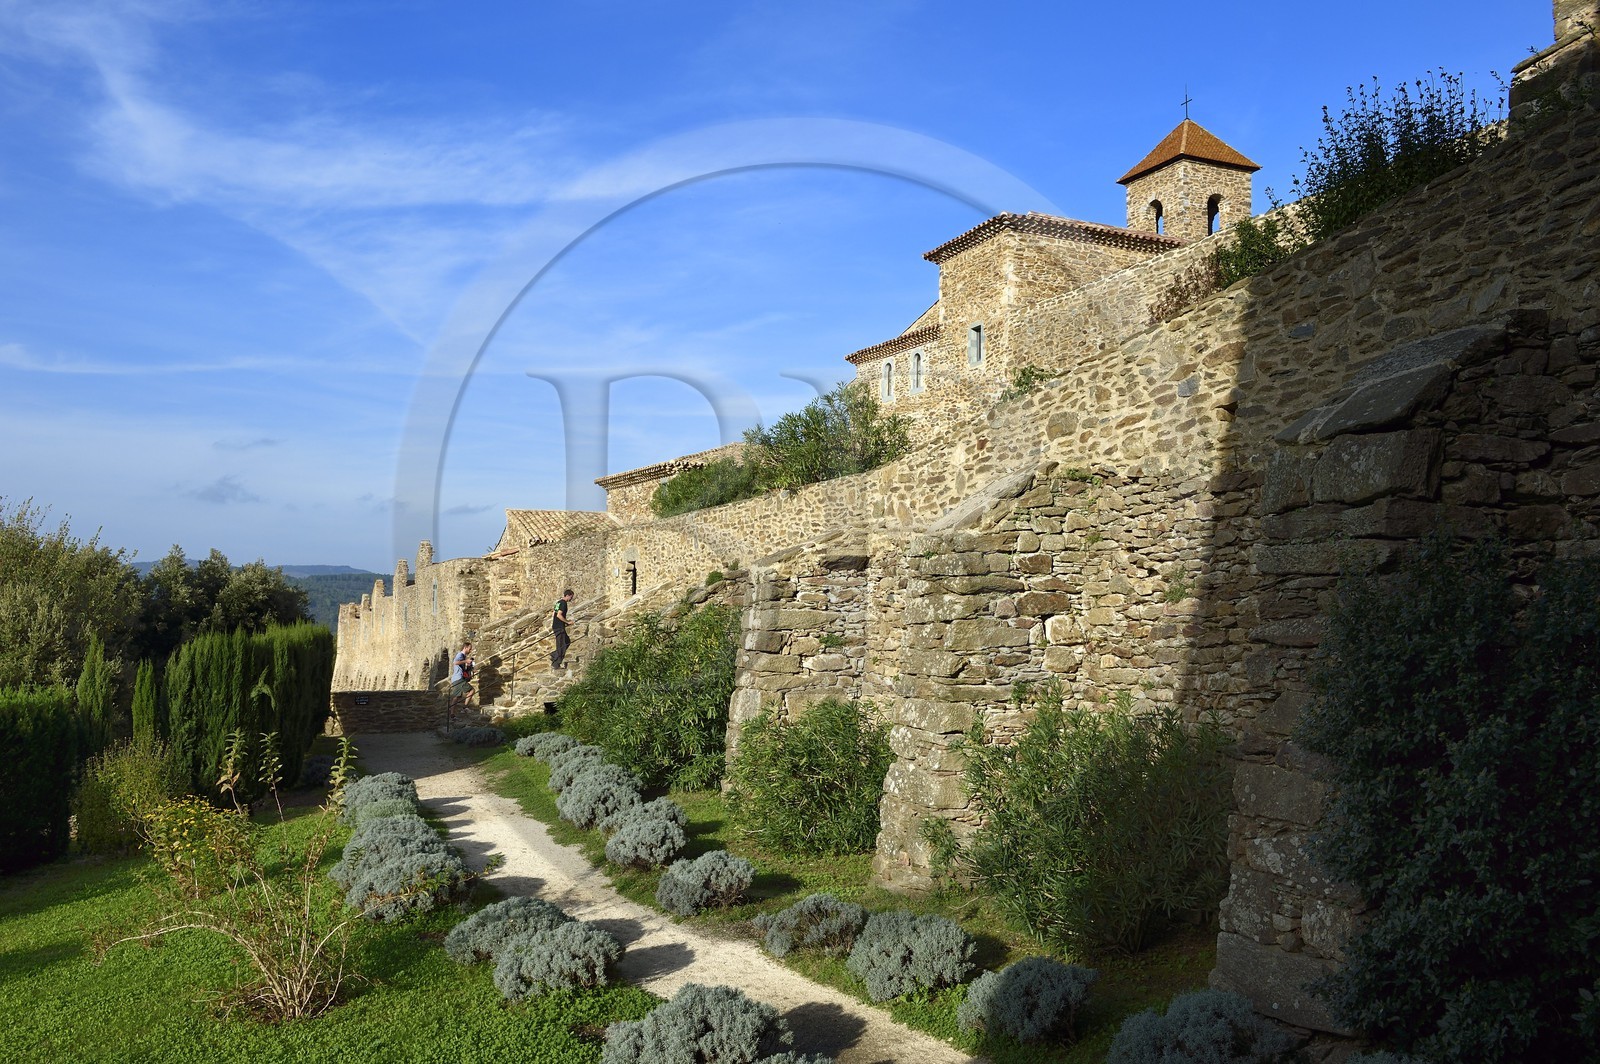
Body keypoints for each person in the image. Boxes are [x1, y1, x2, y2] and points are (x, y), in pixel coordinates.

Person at [550, 589, 575, 668]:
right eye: (571, 597)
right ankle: (556, 663)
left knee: (567, 641)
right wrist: (567, 622)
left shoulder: (559, 602)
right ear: (567, 595)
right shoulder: (563, 603)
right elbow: (559, 615)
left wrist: (564, 623)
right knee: (561, 645)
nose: (571, 599)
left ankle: (554, 654)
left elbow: (555, 614)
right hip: (559, 627)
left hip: (557, 625)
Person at [450, 640, 474, 707]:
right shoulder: (460, 655)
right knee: (472, 690)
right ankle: (465, 707)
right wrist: (466, 661)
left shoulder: (463, 656)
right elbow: (455, 662)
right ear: (465, 648)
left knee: (456, 697)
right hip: (458, 678)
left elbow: (461, 669)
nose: (470, 651)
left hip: (456, 679)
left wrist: (469, 667)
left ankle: (452, 713)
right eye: (470, 649)